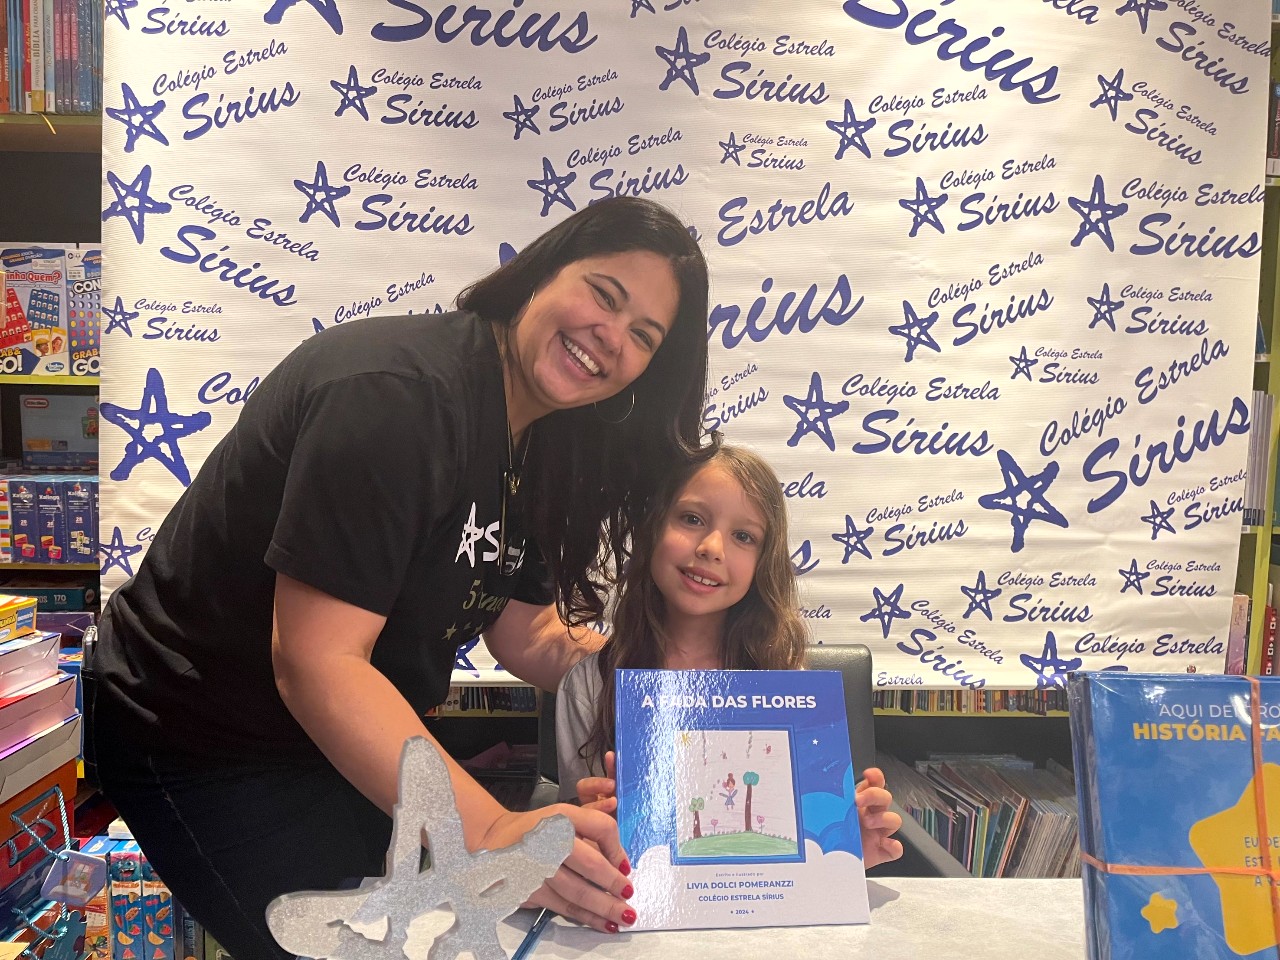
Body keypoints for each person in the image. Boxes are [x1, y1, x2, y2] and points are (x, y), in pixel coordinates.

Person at [86, 196, 710, 958]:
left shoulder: (538, 439)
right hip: (200, 733)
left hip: (332, 734)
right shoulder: (398, 397)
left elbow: (527, 632)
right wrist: (493, 833)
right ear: (543, 270)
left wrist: (657, 683)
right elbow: (316, 662)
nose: (611, 337)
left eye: (643, 336)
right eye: (604, 295)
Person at [556, 442, 905, 868]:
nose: (712, 547)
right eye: (692, 518)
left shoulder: (786, 681)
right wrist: (585, 836)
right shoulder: (588, 686)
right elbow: (581, 848)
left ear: (764, 563)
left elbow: (798, 855)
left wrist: (849, 848)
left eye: (744, 536)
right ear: (653, 527)